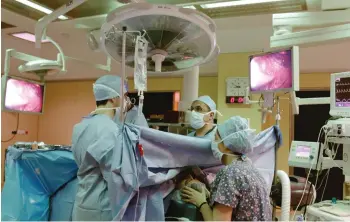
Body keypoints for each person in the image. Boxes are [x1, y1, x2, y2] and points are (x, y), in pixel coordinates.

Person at [181, 116, 272, 221]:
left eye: (215, 138)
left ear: (227, 145)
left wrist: (201, 203)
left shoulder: (229, 173)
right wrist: (211, 196)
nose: (213, 143)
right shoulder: (250, 168)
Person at [71, 75, 124, 221]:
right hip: (101, 209)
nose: (124, 101)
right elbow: (115, 177)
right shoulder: (109, 130)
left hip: (82, 204)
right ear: (113, 98)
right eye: (123, 96)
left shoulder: (80, 126)